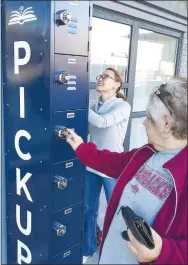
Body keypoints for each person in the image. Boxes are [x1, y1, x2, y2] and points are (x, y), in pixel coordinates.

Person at [65, 77, 187, 264]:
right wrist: (82, 148)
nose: (144, 123)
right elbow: (114, 162)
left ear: (165, 124)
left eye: (149, 118)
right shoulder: (147, 152)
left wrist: (161, 252)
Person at [84, 67, 131, 262]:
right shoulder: (95, 106)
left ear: (117, 84)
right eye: (100, 76)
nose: (100, 79)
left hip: (112, 167)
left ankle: (120, 251)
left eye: (106, 77)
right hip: (92, 166)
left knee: (117, 211)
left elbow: (103, 123)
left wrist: (79, 102)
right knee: (88, 209)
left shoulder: (122, 106)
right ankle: (88, 249)